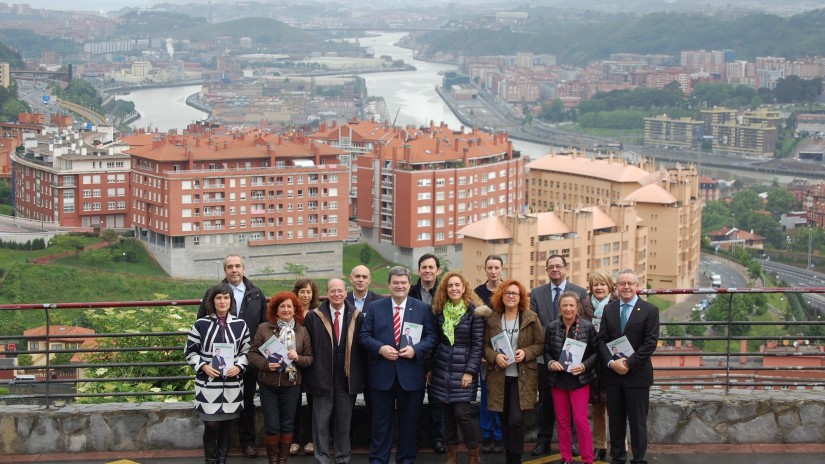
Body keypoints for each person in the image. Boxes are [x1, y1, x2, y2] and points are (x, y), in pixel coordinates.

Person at [359, 266, 438, 464]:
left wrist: (416, 350)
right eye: (395, 282)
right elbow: (364, 336)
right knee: (380, 424)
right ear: (389, 284)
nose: (399, 286)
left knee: (409, 424)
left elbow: (432, 337)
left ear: (409, 284)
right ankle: (378, 460)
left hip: (411, 376)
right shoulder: (376, 307)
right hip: (381, 376)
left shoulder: (422, 308)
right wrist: (380, 348)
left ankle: (406, 460)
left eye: (403, 282)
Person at [197, 255, 267, 459]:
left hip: (247, 358)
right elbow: (201, 323)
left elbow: (264, 326)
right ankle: (220, 449)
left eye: (237, 266)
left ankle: (247, 442)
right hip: (217, 363)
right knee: (220, 401)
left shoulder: (256, 293)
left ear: (244, 268)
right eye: (230, 267)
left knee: (247, 401)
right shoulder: (214, 292)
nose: (234, 270)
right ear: (225, 271)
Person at [597, 269, 660, 464]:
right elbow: (602, 340)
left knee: (638, 422)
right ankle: (618, 457)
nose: (626, 287)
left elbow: (650, 343)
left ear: (636, 286)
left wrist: (628, 364)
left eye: (630, 283)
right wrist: (611, 363)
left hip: (637, 375)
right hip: (614, 375)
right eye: (622, 283)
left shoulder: (650, 310)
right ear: (616, 286)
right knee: (616, 420)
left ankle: (639, 458)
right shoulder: (609, 309)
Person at [529, 254, 587, 457]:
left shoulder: (580, 292)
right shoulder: (536, 293)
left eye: (558, 266)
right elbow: (534, 324)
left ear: (566, 268)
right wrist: (551, 350)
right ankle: (543, 441)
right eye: (550, 266)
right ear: (546, 270)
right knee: (544, 402)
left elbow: (584, 324)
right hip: (546, 357)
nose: (555, 269)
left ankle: (572, 443)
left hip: (572, 357)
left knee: (572, 403)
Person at [186, 283, 251, 464]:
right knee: (211, 424)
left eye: (226, 297)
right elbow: (190, 351)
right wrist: (204, 366)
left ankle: (221, 458)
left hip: (232, 384)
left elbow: (247, 351)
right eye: (219, 297)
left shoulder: (240, 325)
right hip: (208, 383)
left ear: (231, 301)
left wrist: (238, 366)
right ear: (212, 301)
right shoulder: (201, 324)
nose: (223, 301)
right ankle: (210, 460)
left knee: (226, 425)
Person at [303, 278, 366, 464]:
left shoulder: (356, 315)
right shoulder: (313, 317)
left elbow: (361, 349)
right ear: (327, 292)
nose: (336, 294)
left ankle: (342, 458)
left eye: (340, 290)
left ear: (346, 292)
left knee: (344, 423)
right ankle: (322, 457)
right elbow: (307, 347)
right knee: (320, 422)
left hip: (346, 378)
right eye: (333, 291)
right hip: (321, 377)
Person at [428, 272, 489, 464]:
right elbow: (435, 341)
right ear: (445, 289)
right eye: (450, 286)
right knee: (447, 416)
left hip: (463, 369)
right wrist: (429, 368)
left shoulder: (475, 312)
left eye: (457, 285)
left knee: (462, 414)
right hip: (442, 368)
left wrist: (470, 372)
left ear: (464, 288)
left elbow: (478, 345)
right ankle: (452, 454)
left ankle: (472, 452)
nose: (454, 289)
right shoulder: (439, 311)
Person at [248, 292, 314, 464]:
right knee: (271, 426)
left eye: (289, 306)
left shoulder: (302, 331)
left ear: (295, 310)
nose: (286, 309)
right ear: (276, 310)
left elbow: (309, 358)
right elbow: (252, 353)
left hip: (292, 385)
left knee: (287, 424)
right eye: (282, 306)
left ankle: (282, 460)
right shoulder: (264, 328)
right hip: (268, 384)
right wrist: (265, 364)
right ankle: (272, 460)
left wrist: (297, 358)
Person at [483, 280, 544, 464]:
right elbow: (485, 346)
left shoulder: (531, 317)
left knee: (516, 420)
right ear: (501, 295)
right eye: (508, 293)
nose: (511, 296)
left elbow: (540, 345)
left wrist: (525, 352)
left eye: (515, 294)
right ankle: (509, 457)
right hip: (499, 377)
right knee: (503, 419)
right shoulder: (493, 318)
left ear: (521, 298)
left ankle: (515, 458)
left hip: (522, 377)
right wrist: (495, 356)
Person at [545, 291, 599, 464]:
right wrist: (550, 362)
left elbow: (597, 353)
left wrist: (584, 366)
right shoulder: (552, 327)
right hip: (558, 380)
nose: (568, 309)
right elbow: (545, 350)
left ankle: (588, 459)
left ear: (577, 307)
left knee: (581, 420)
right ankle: (565, 457)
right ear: (559, 307)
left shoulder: (587, 327)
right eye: (564, 305)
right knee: (562, 421)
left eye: (571, 305)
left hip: (579, 380)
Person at [409, 253, 446, 454]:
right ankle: (413, 439)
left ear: (438, 270)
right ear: (419, 270)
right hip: (413, 352)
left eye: (431, 267)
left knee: (437, 401)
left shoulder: (445, 291)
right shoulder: (411, 291)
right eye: (424, 267)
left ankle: (438, 438)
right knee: (413, 401)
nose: (428, 271)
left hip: (438, 353)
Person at [579, 270, 616, 462]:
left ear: (610, 286)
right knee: (597, 408)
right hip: (592, 362)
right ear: (591, 287)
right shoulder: (583, 306)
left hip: (612, 361)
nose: (599, 288)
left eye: (603, 284)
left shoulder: (617, 304)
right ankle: (599, 446)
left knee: (616, 408)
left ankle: (619, 447)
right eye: (596, 284)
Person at [473, 255, 505, 454]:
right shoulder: (478, 293)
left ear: (502, 269)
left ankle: (499, 434)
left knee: (501, 394)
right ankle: (486, 434)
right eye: (490, 267)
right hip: (485, 352)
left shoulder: (508, 289)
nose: (493, 271)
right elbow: (475, 324)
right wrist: (480, 352)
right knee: (485, 394)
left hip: (505, 352)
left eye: (497, 267)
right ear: (485, 269)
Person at [291, 278, 319, 456]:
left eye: (309, 292)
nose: (305, 295)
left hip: (311, 364)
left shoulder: (318, 313)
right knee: (293, 404)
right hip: (292, 365)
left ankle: (311, 439)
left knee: (312, 404)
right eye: (302, 291)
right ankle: (294, 440)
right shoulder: (289, 312)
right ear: (296, 293)